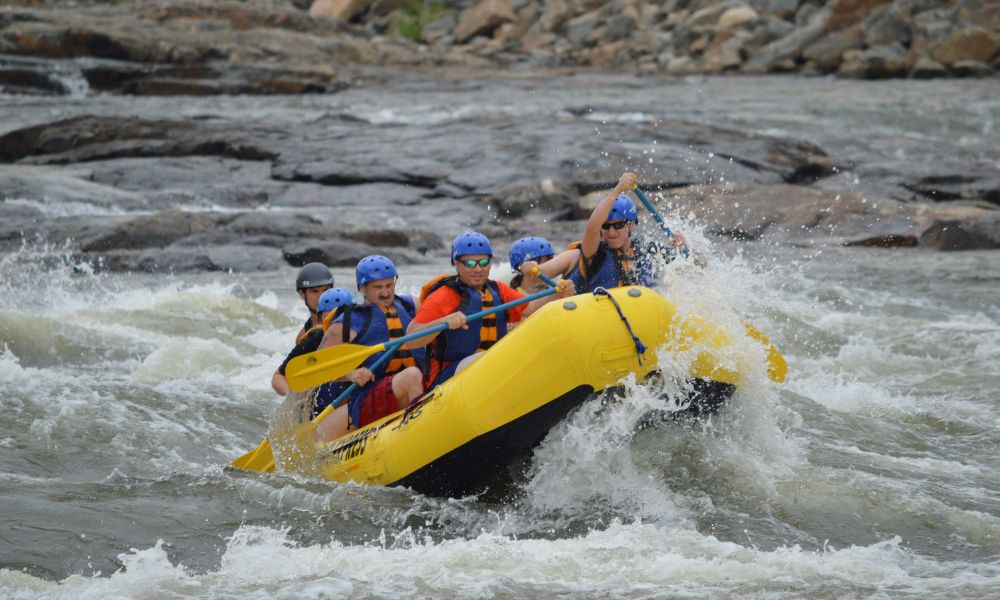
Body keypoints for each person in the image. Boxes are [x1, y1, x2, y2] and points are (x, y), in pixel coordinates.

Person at [406, 231, 574, 389]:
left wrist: (558, 295)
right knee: (494, 358)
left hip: (491, 371)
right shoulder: (443, 296)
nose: (478, 269)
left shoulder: (498, 290)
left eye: (484, 262)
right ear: (456, 264)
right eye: (470, 263)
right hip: (447, 379)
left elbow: (531, 308)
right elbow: (411, 339)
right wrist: (444, 321)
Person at [314, 255, 426, 442]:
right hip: (369, 398)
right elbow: (318, 366)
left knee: (417, 375)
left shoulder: (408, 305)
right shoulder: (350, 321)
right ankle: (421, 436)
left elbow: (437, 309)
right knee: (412, 375)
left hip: (409, 387)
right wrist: (350, 374)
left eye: (389, 285)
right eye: (378, 287)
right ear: (362, 288)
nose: (385, 293)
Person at [538, 172, 690, 293]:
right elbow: (592, 228)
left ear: (631, 224)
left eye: (618, 225)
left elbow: (698, 266)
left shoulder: (650, 251)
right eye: (606, 226)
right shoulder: (594, 253)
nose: (611, 232)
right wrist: (618, 190)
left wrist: (683, 249)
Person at [271, 286, 354, 401]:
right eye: (330, 319)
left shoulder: (366, 332)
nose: (336, 325)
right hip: (323, 402)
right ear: (321, 319)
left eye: (341, 318)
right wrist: (295, 398)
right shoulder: (315, 339)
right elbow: (278, 377)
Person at [291, 262, 335, 343]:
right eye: (315, 291)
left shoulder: (347, 320)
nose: (322, 296)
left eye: (326, 290)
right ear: (302, 294)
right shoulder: (302, 338)